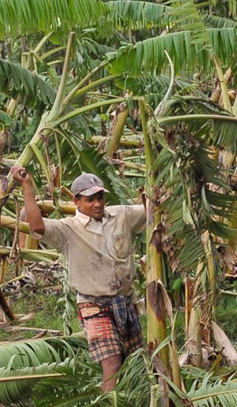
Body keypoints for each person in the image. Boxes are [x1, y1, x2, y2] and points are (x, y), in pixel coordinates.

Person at [11, 166, 148, 391]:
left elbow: (153, 210)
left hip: (125, 301)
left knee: (133, 360)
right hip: (94, 305)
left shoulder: (121, 215)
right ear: (76, 202)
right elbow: (37, 227)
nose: (97, 204)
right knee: (112, 361)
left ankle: (134, 406)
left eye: (100, 197)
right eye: (90, 199)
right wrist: (27, 185)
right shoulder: (68, 230)